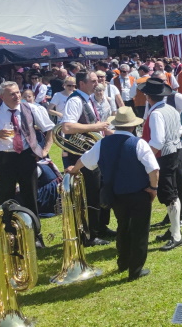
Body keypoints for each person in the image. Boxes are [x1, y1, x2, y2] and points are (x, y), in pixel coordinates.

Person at [69, 106, 159, 282]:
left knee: (122, 226)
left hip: (116, 194)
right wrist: (153, 188)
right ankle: (135, 269)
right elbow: (153, 169)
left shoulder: (103, 143)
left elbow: (85, 160)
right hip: (139, 193)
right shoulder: (139, 143)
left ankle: (123, 262)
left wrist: (74, 169)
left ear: (116, 125)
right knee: (140, 231)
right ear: (133, 126)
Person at [0, 81, 55, 246]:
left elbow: (49, 128)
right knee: (6, 198)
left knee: (30, 196)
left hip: (26, 156)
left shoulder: (31, 108)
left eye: (18, 92)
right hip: (3, 159)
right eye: (12, 94)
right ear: (1, 96)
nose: (17, 96)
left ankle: (35, 236)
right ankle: (10, 235)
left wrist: (45, 150)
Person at [61, 71, 114, 246]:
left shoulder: (88, 99)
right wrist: (96, 127)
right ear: (82, 84)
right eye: (93, 81)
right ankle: (90, 234)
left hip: (95, 151)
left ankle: (101, 227)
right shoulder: (75, 100)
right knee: (91, 193)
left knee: (101, 190)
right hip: (83, 154)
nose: (97, 83)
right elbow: (67, 127)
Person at [139, 78, 182, 251]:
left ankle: (176, 235)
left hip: (163, 156)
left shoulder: (156, 114)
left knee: (169, 195)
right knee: (172, 192)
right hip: (174, 152)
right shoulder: (171, 109)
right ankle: (174, 229)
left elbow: (157, 141)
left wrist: (146, 157)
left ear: (148, 97)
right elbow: (180, 130)